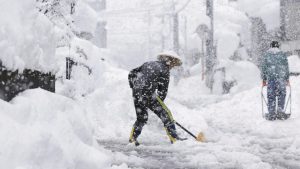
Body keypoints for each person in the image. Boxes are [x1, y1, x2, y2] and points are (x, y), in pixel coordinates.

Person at [128, 51, 186, 146]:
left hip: (137, 93)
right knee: (166, 114)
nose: (172, 67)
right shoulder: (165, 70)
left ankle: (132, 138)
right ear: (170, 62)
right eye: (173, 64)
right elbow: (163, 91)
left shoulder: (148, 63)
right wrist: (158, 105)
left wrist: (135, 87)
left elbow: (131, 73)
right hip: (148, 93)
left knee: (141, 118)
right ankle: (175, 139)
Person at [261, 41, 290, 121]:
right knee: (282, 95)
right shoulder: (282, 54)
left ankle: (271, 114)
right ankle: (280, 112)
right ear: (278, 46)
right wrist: (287, 78)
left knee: (271, 96)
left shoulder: (266, 55)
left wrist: (264, 79)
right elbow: (286, 67)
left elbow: (264, 67)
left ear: (271, 46)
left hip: (271, 79)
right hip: (281, 78)